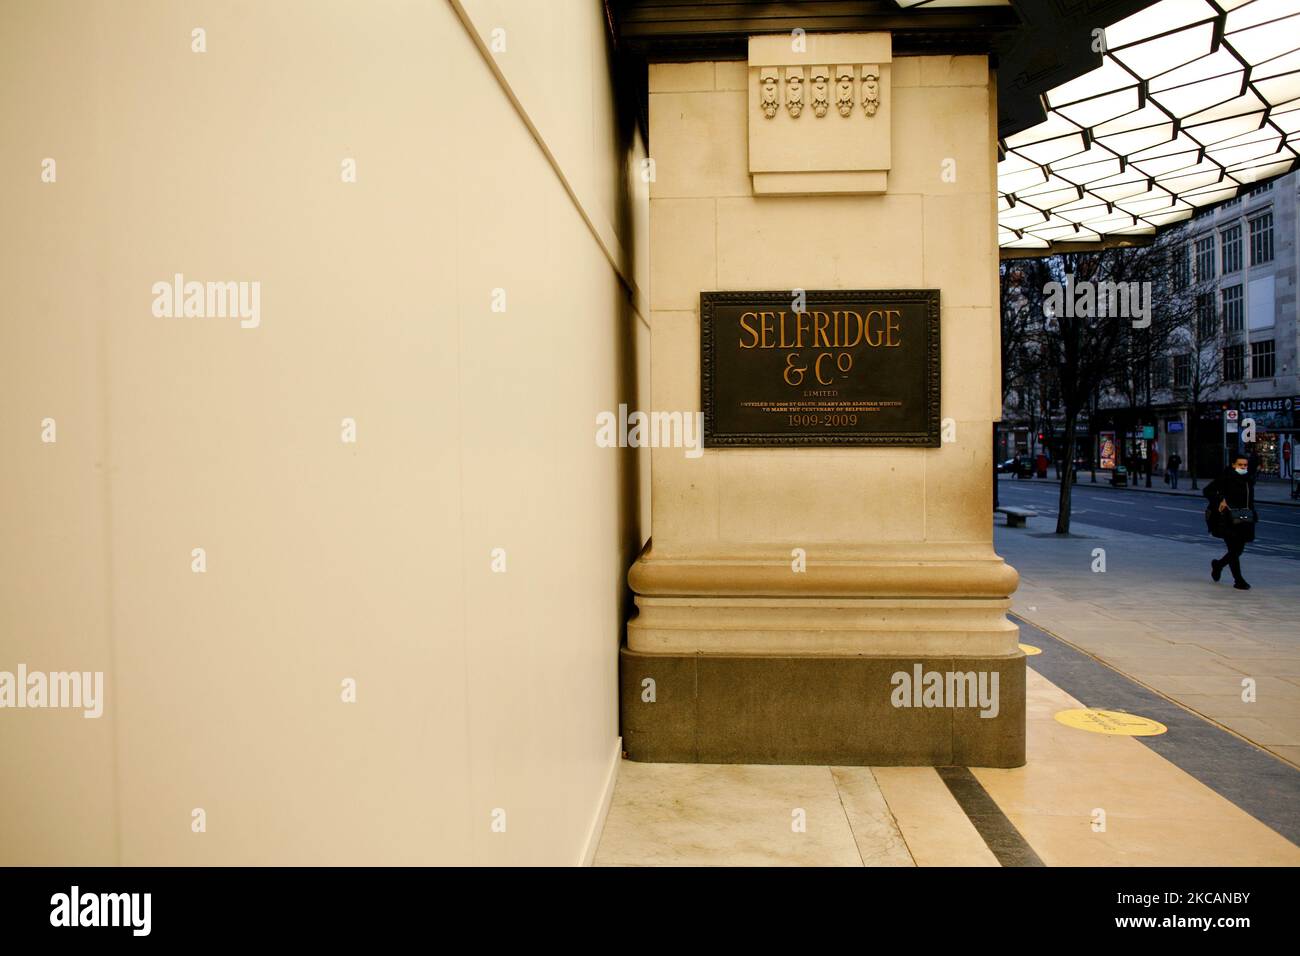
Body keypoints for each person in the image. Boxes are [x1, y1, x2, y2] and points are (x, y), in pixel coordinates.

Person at [1204, 455, 1255, 590]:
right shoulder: (1226, 478)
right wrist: (1220, 499)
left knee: (1239, 550)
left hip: (1244, 517)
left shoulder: (1248, 480)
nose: (1243, 467)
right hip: (1227, 518)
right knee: (1233, 549)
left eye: (1245, 465)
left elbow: (1249, 500)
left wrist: (1252, 513)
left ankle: (1218, 565)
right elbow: (1207, 490)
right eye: (1240, 465)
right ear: (1233, 465)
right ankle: (1239, 580)